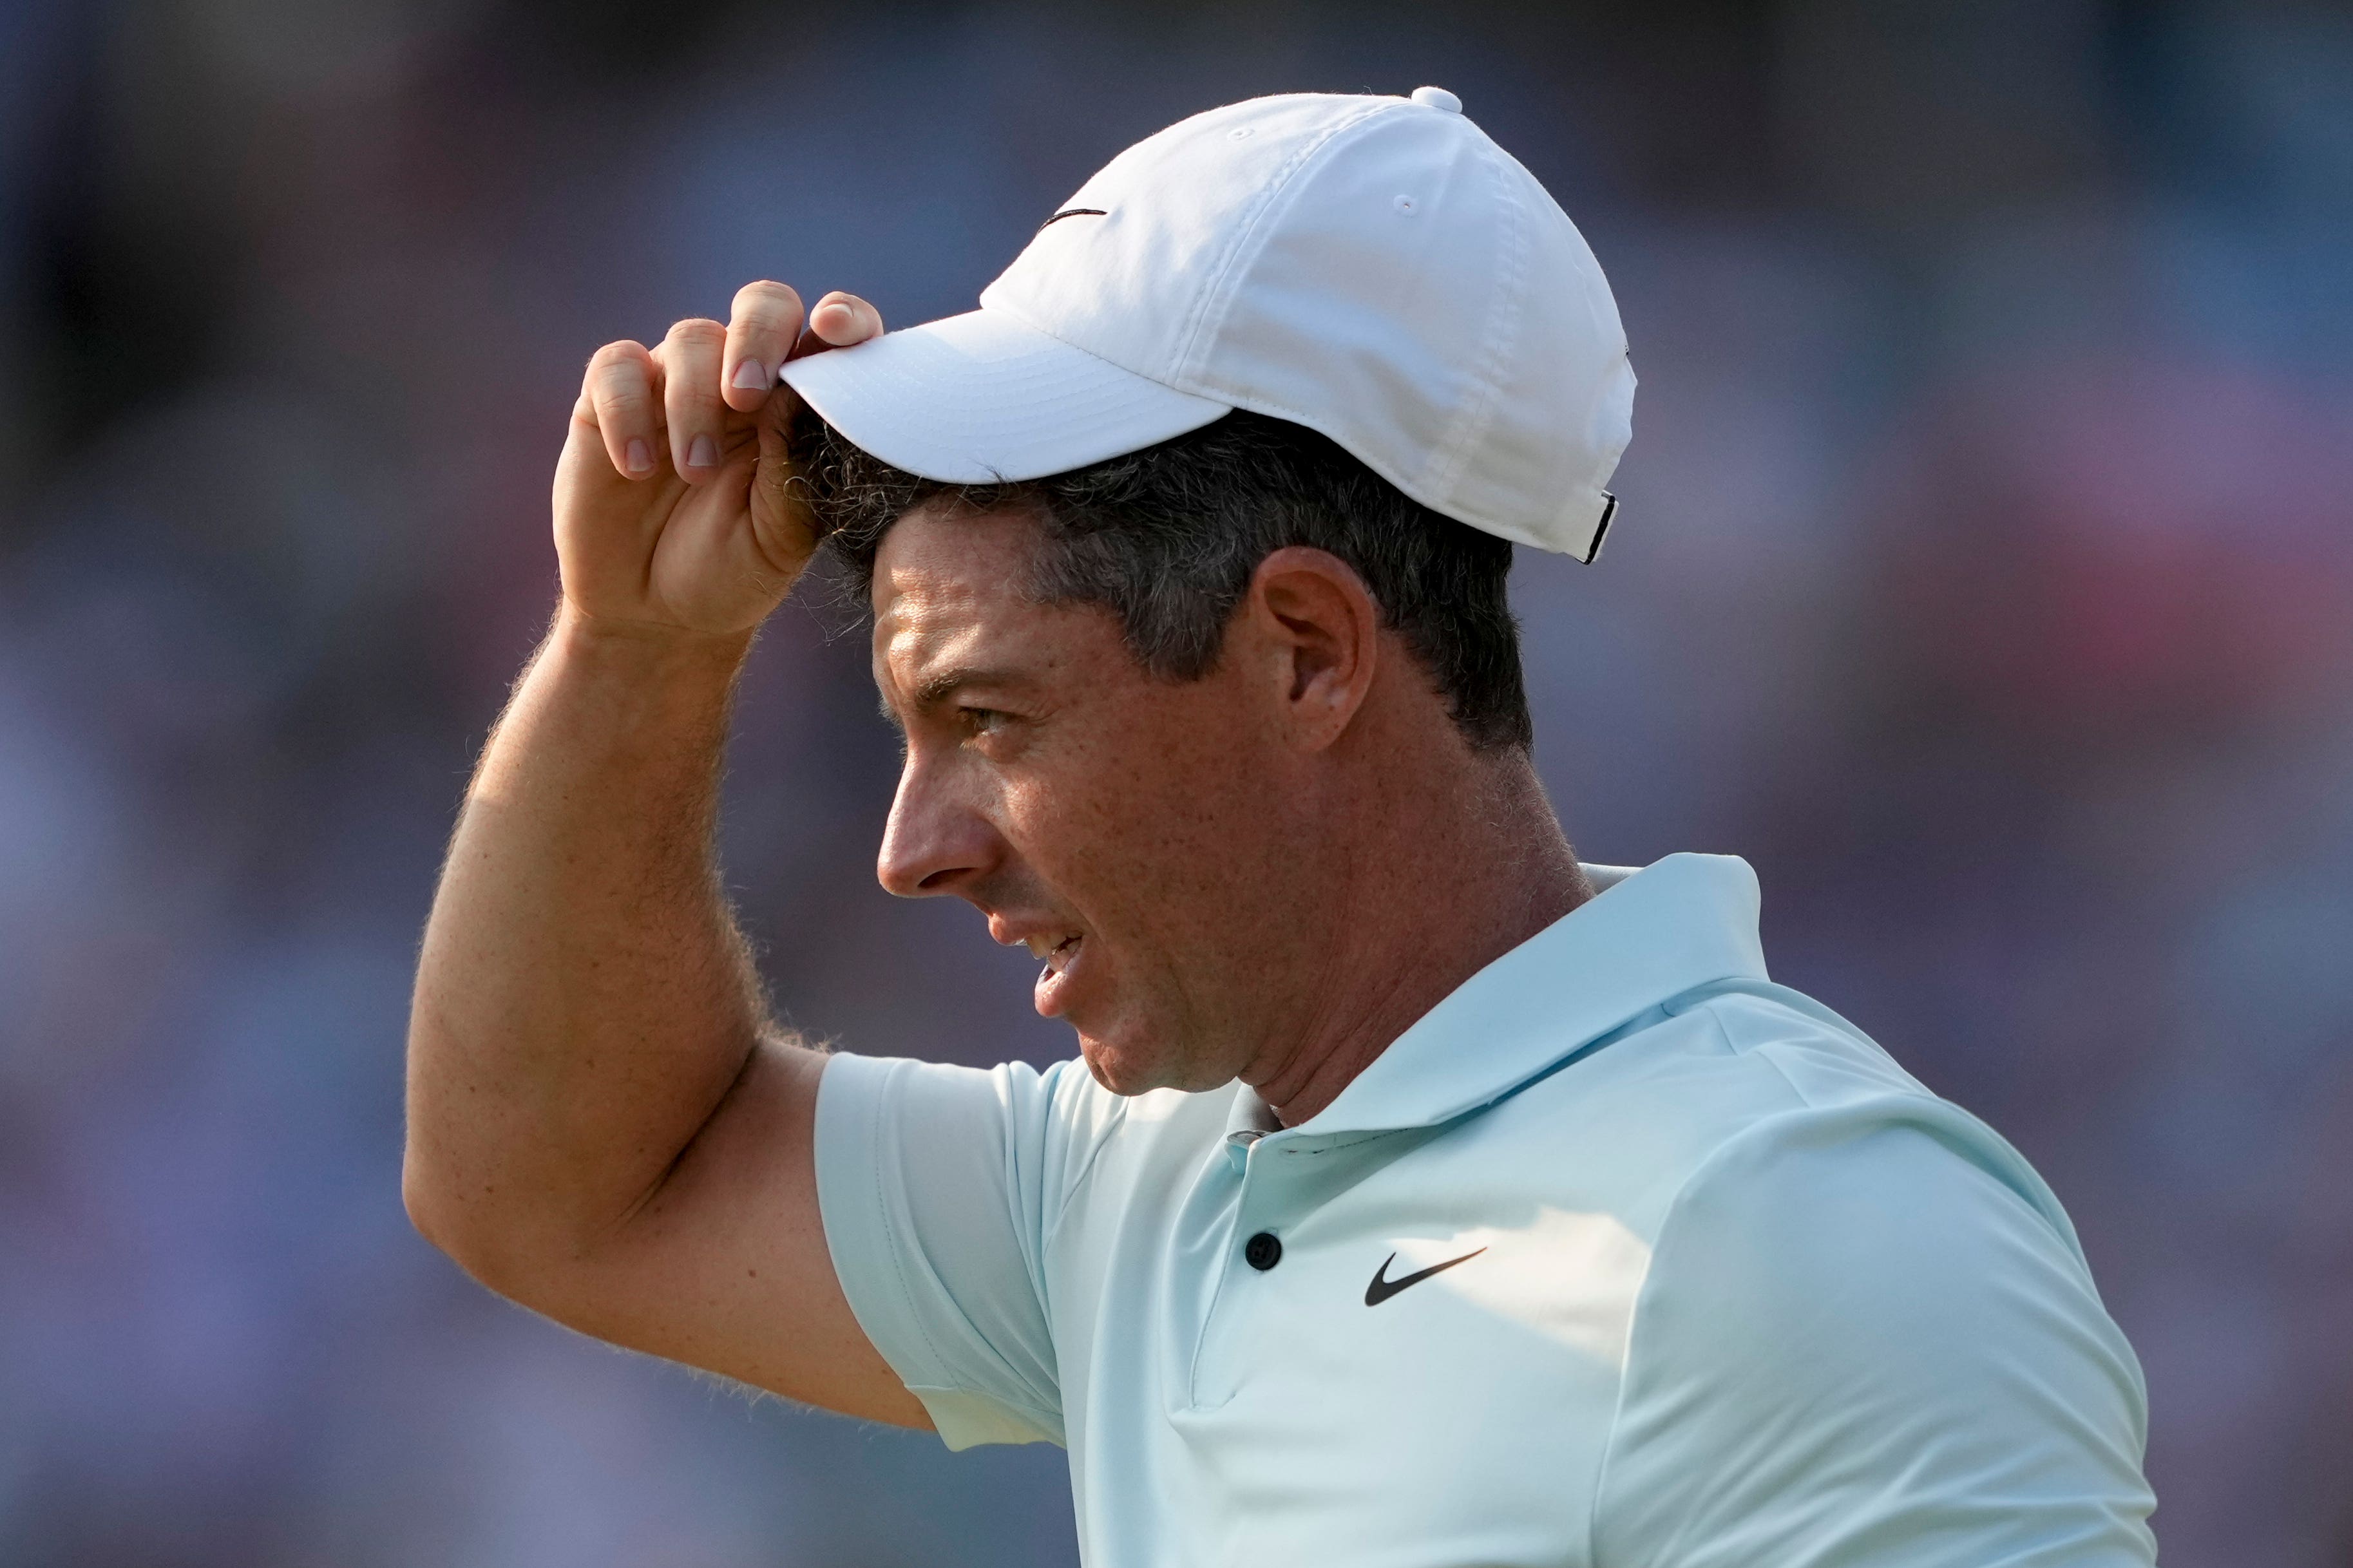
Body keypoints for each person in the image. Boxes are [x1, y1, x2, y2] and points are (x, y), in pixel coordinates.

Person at [404, 89, 2158, 1564]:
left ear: (1306, 654)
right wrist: (638, 654)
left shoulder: (1805, 1231)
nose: (913, 846)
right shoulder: (1139, 1179)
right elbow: (559, 1185)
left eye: (989, 721)